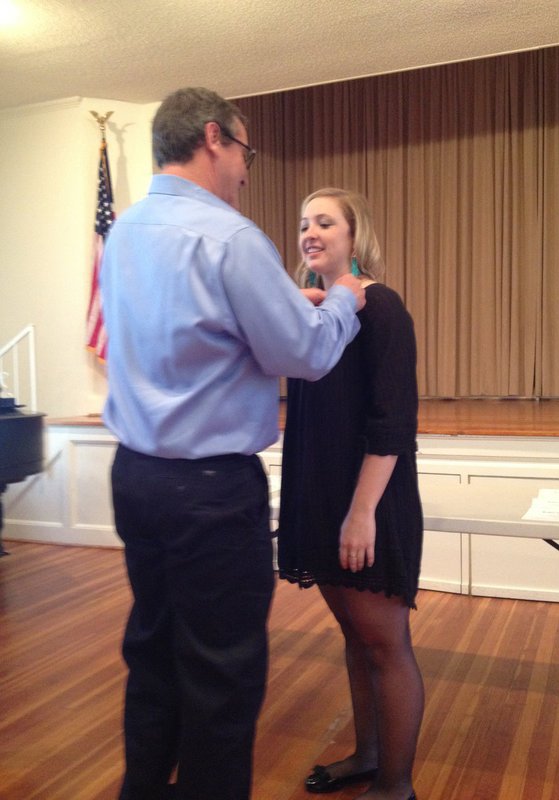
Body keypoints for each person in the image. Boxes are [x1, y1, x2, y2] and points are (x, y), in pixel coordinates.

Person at [100, 89, 366, 800]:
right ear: (215, 138)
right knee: (223, 676)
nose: (247, 170)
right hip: (209, 492)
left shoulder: (123, 230)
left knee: (153, 656)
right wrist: (342, 298)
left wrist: (283, 303)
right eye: (246, 152)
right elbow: (303, 355)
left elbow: (188, 327)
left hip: (133, 477)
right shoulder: (230, 238)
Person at [277, 188, 424, 800]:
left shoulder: (381, 308)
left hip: (367, 504)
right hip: (319, 499)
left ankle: (394, 787)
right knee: (356, 639)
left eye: (325, 222)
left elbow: (392, 424)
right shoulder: (310, 312)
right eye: (305, 223)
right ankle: (368, 755)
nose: (310, 232)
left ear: (354, 234)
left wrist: (361, 512)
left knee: (384, 644)